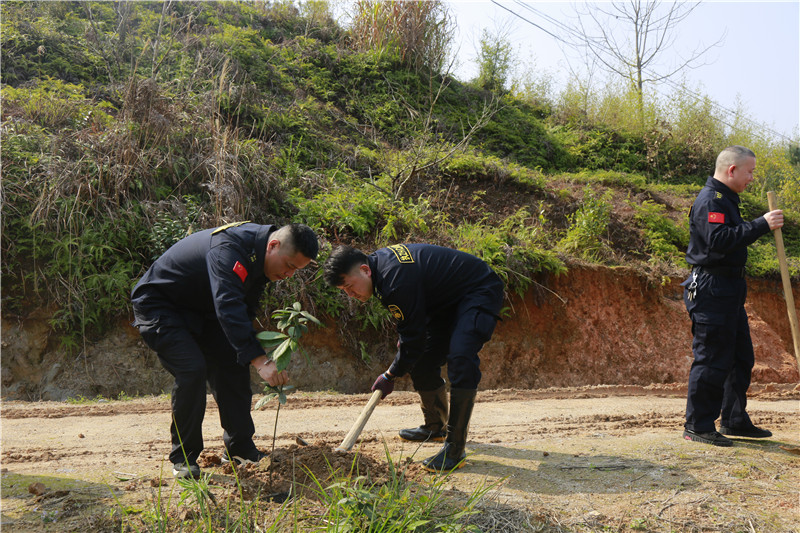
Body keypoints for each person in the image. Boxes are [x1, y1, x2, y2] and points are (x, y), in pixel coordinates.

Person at [131, 222, 319, 478]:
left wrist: (252, 353)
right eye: (288, 266)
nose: (288, 274)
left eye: (296, 271)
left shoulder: (259, 256)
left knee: (233, 362)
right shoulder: (230, 249)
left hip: (203, 311)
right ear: (273, 246)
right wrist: (261, 361)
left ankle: (240, 450)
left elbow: (244, 310)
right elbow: (228, 305)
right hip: (161, 306)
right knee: (192, 369)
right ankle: (184, 459)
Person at [323, 243, 504, 471]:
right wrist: (408, 342)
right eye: (344, 291)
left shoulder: (394, 279)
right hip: (444, 302)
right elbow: (411, 328)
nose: (350, 294)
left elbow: (413, 340)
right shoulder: (381, 271)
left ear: (364, 270)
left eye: (350, 286)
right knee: (422, 360)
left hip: (478, 290)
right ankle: (434, 427)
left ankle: (455, 448)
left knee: (461, 357)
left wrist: (390, 374)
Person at [681, 146, 784, 447]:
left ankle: (733, 419)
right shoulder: (710, 200)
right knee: (712, 358)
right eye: (750, 171)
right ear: (731, 170)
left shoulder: (727, 201)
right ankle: (698, 425)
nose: (752, 177)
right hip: (712, 288)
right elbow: (718, 241)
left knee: (740, 357)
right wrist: (761, 224)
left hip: (729, 289)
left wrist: (756, 225)